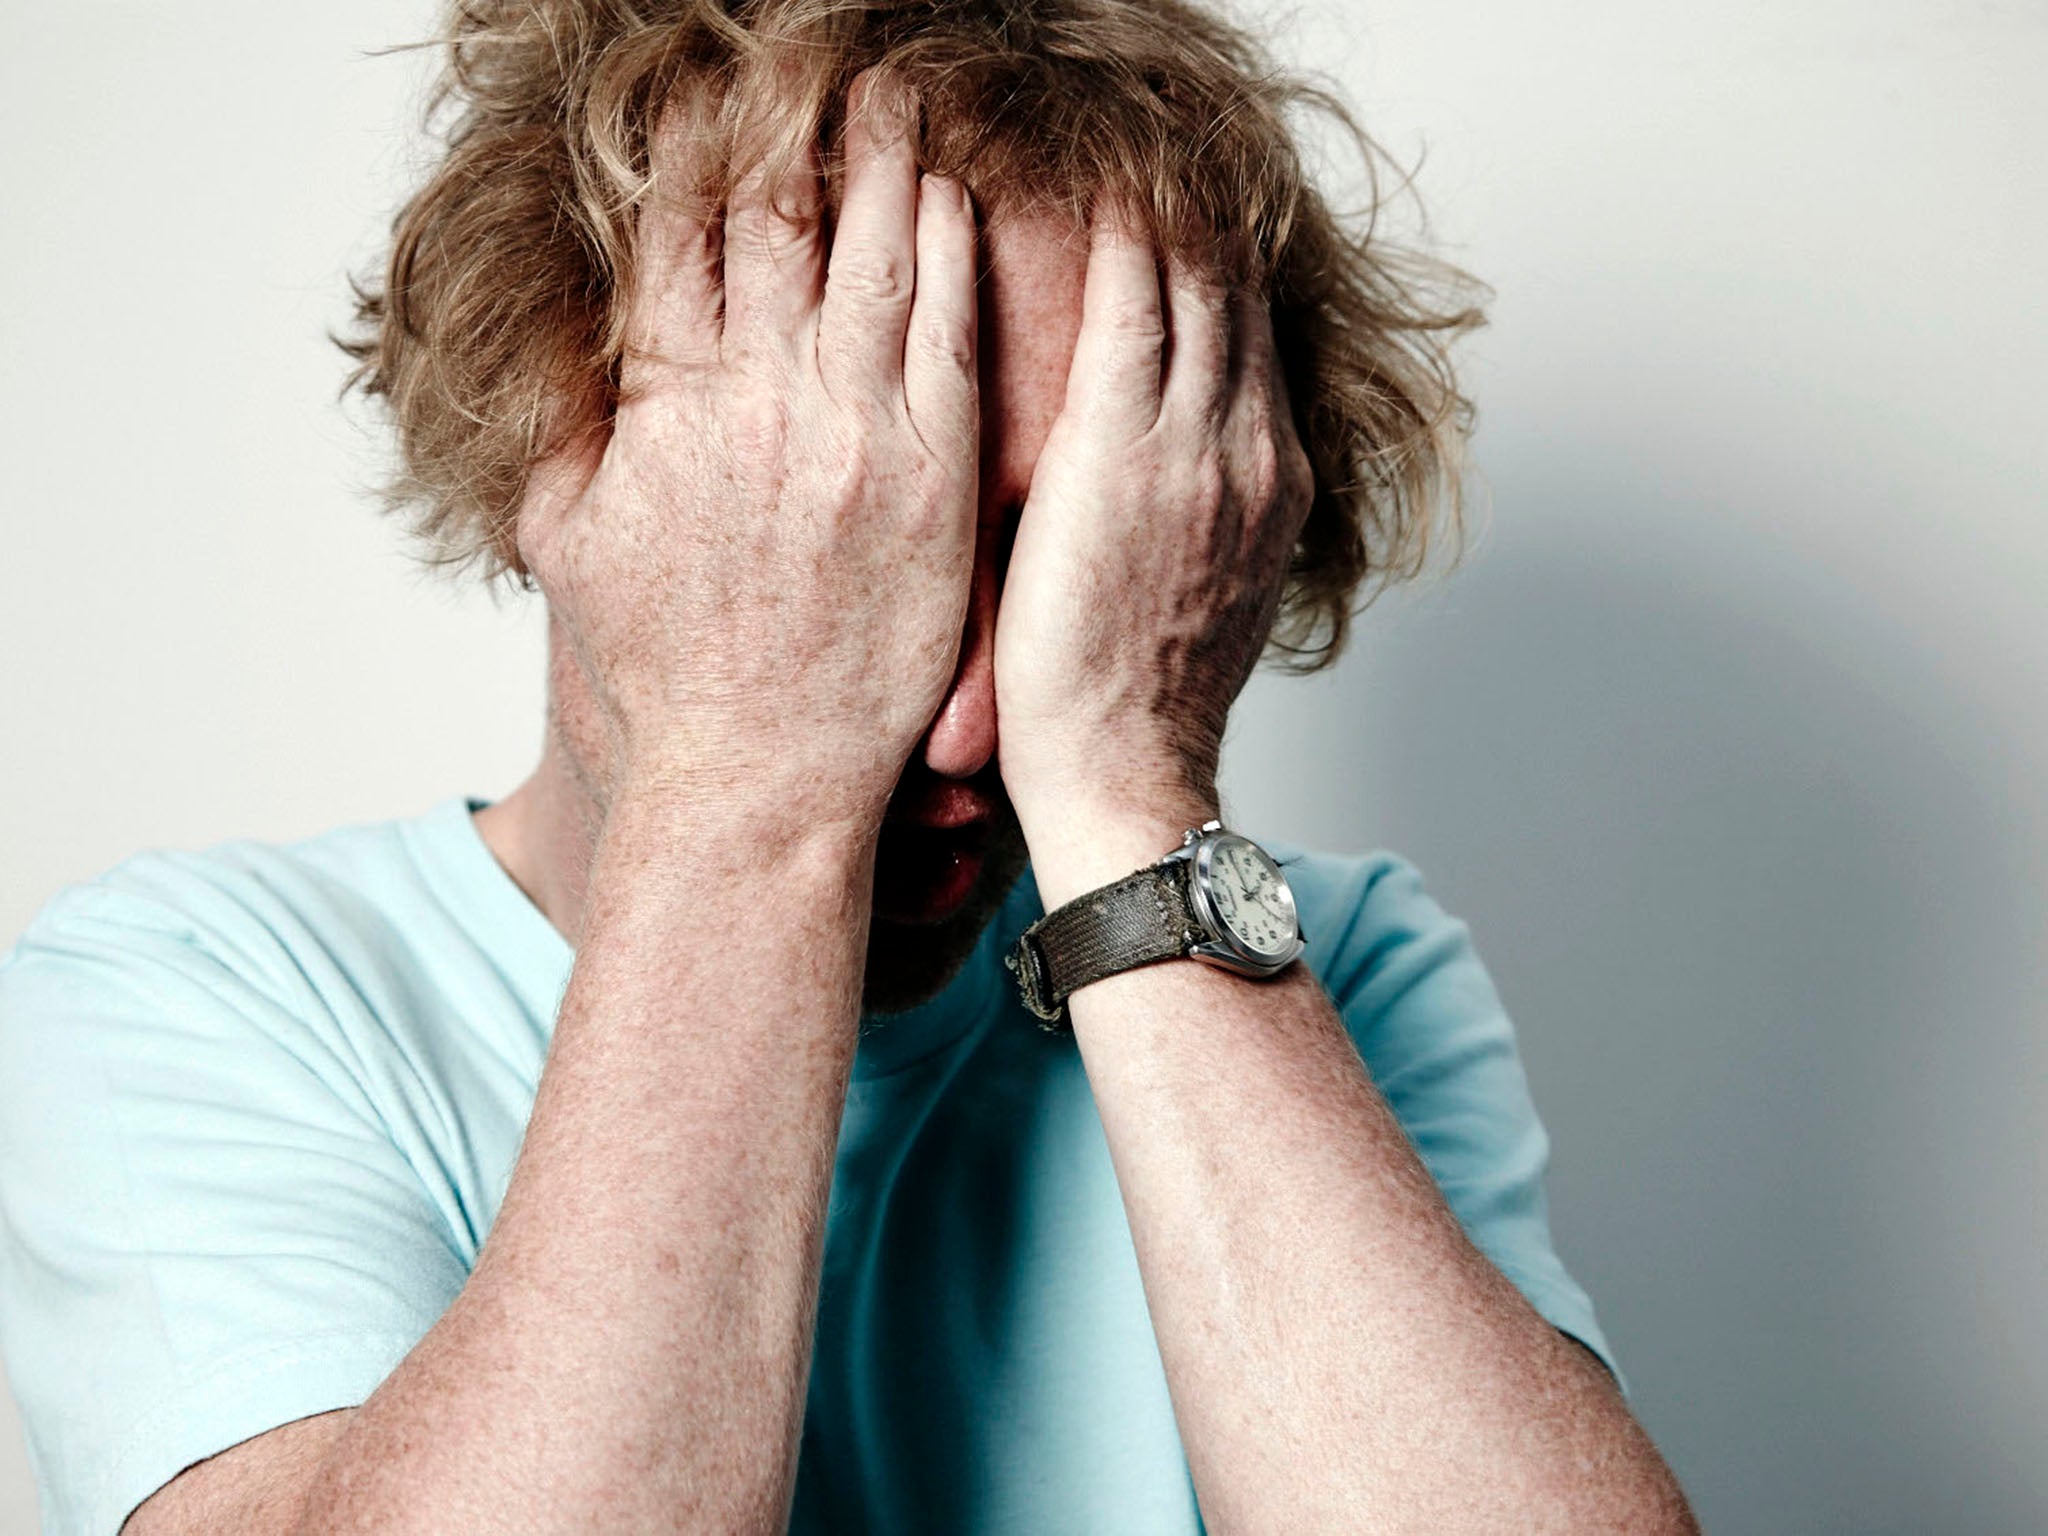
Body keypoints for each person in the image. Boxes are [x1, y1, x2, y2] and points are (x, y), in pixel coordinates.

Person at [0, 0, 1697, 1530]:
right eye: (853, 534)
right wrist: (755, 773)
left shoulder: (1347, 974)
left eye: (1054, 557)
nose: (968, 730)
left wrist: (1126, 772)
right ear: (555, 473)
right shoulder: (191, 992)